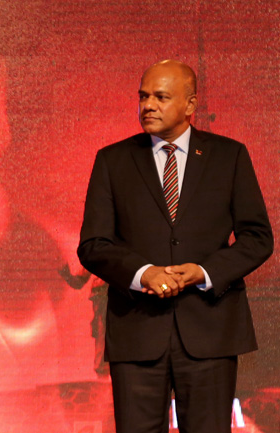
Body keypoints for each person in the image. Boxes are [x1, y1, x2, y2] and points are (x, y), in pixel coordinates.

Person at [77, 60, 273, 433]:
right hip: (137, 332)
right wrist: (142, 274)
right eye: (143, 96)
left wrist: (204, 271)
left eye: (161, 97)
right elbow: (93, 244)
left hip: (210, 330)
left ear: (190, 105)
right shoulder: (113, 160)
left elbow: (257, 237)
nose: (147, 105)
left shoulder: (228, 156)